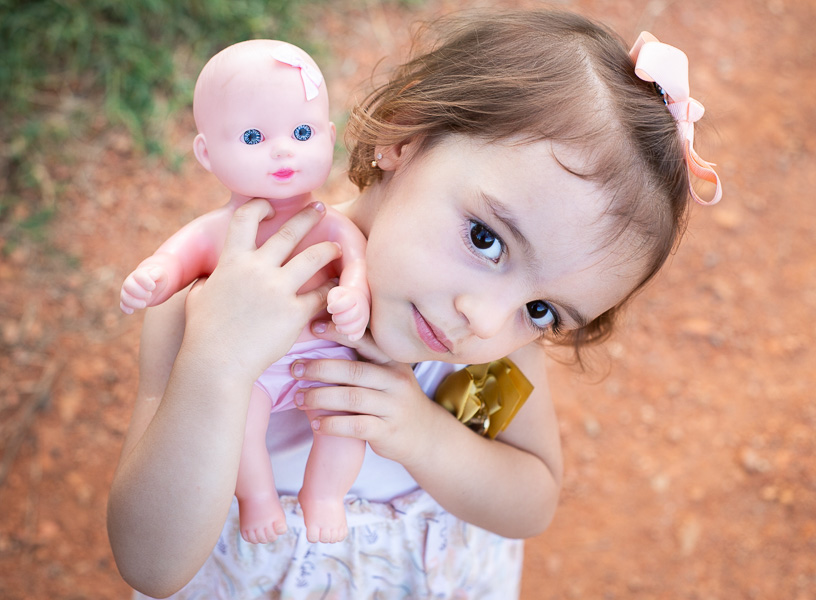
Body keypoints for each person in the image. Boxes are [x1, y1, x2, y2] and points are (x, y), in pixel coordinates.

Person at [107, 9, 722, 599]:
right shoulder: (210, 302)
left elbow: (530, 500)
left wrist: (423, 434)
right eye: (486, 240)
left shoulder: (479, 366)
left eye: (543, 311)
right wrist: (217, 363)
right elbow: (152, 564)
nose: (481, 321)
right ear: (404, 138)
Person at [117, 39, 372, 545]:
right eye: (254, 136)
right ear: (206, 153)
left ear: (328, 137)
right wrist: (156, 275)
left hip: (323, 355)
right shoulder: (221, 229)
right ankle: (255, 497)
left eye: (301, 133)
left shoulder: (330, 225)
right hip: (250, 366)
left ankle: (323, 494)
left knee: (346, 423)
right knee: (239, 431)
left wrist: (354, 296)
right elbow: (180, 257)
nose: (282, 151)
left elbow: (356, 266)